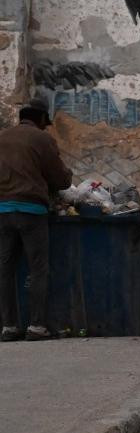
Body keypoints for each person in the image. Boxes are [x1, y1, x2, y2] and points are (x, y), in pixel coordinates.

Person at [0, 100, 71, 341]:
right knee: (38, 268)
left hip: (3, 212)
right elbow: (61, 179)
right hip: (32, 211)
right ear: (41, 120)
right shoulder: (42, 139)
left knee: (5, 269)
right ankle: (37, 326)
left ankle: (8, 326)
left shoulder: (2, 137)